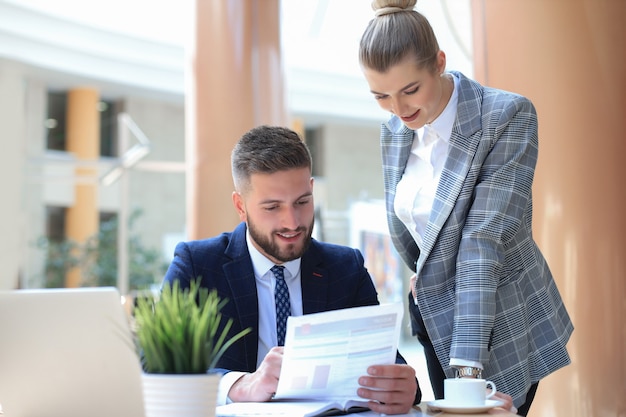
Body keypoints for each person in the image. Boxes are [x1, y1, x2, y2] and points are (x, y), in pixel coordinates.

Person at [358, 1, 574, 415]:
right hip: (432, 315)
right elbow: (411, 227)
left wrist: (468, 372)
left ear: (439, 62)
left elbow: (482, 240)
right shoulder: (395, 131)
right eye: (380, 95)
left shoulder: (506, 116)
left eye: (410, 90)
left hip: (497, 318)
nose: (398, 109)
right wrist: (423, 279)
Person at [161, 125, 420, 415]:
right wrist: (240, 385)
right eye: (272, 207)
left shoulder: (346, 268)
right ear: (240, 206)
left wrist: (404, 386)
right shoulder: (198, 266)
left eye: (302, 202)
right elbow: (155, 369)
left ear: (311, 189)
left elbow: (387, 363)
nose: (292, 222)